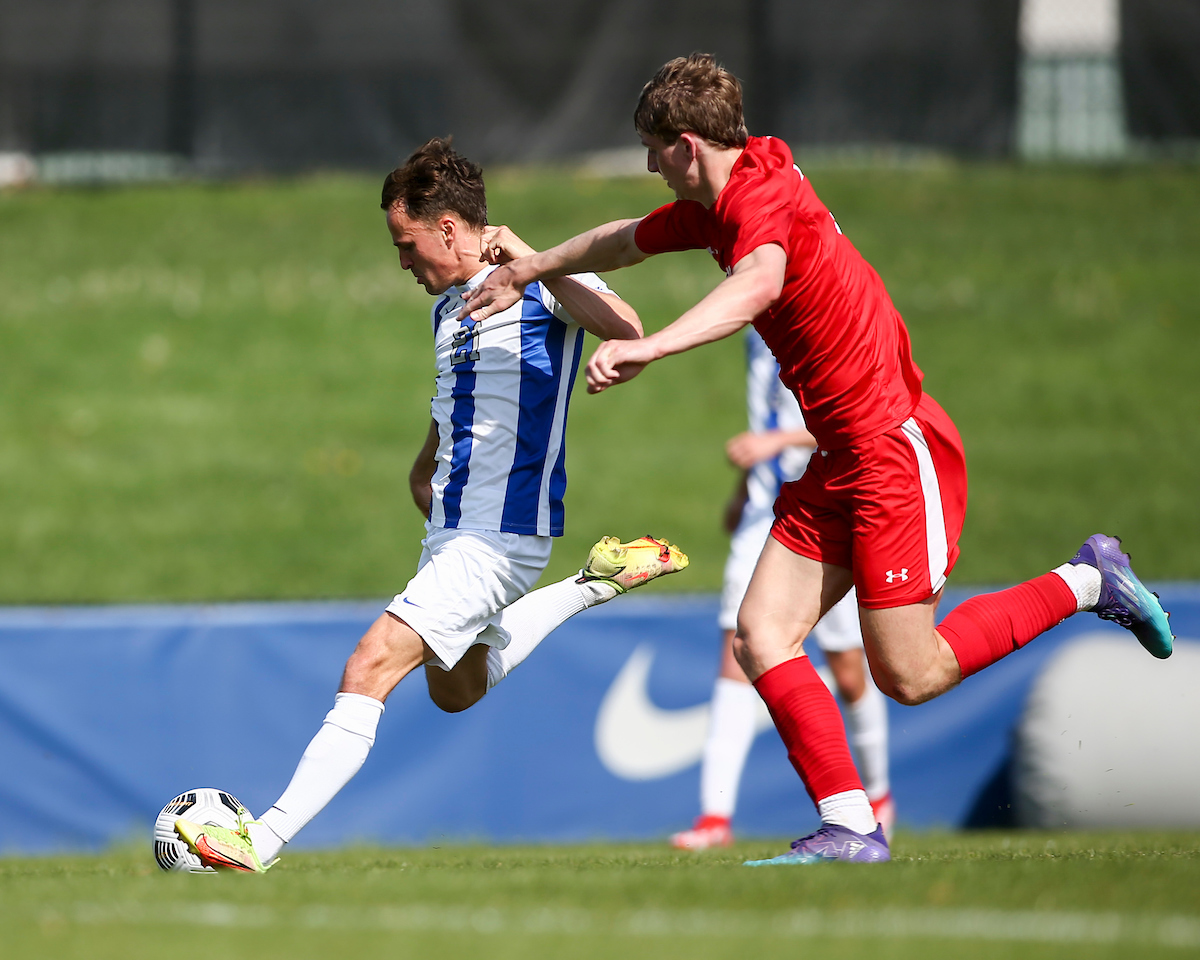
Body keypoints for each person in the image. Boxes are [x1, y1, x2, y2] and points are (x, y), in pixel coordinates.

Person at [461, 54, 1174, 865]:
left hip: (893, 450)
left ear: (687, 145)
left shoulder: (756, 200)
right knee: (762, 634)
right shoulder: (726, 193)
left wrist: (653, 346)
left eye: (653, 149)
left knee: (910, 673)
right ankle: (852, 829)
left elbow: (761, 281)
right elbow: (623, 241)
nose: (649, 164)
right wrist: (527, 266)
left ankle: (1089, 580)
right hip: (840, 455)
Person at [174, 138, 688, 872]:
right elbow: (461, 403)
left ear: (449, 227)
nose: (403, 263)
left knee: (370, 664)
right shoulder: (448, 309)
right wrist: (426, 464)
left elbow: (630, 331)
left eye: (408, 245)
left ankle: (261, 840)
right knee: (456, 688)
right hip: (453, 531)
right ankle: (593, 584)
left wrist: (533, 257)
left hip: (500, 534)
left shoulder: (541, 287)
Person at [670, 328, 891, 850]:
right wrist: (745, 486)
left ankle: (877, 797)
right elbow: (766, 414)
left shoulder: (828, 318)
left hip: (828, 510)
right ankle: (714, 818)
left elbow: (870, 419)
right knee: (737, 653)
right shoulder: (755, 330)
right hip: (764, 513)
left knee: (847, 667)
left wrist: (779, 443)